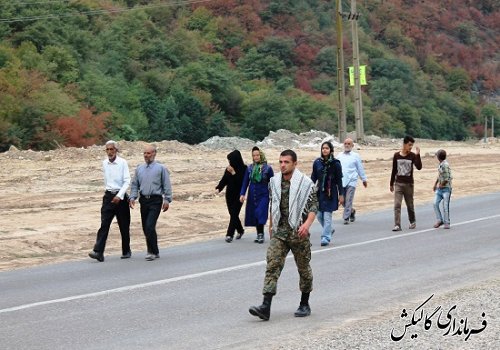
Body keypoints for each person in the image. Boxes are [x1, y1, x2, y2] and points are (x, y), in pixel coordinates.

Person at [249, 149, 318, 321]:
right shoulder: (274, 182)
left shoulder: (305, 183)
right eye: (280, 162)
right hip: (280, 232)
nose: (282, 165)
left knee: (303, 269)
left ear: (295, 163)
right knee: (272, 265)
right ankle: (265, 306)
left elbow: (313, 207)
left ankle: (304, 303)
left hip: (298, 233)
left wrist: (307, 225)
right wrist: (271, 226)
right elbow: (273, 204)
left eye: (286, 162)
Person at [89, 140, 131, 262]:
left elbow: (127, 180)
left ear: (116, 150)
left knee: (124, 225)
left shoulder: (123, 163)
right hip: (108, 197)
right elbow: (107, 181)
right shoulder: (104, 163)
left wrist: (120, 195)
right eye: (107, 149)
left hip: (121, 197)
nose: (109, 152)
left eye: (111, 149)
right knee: (104, 224)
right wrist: (109, 194)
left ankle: (126, 250)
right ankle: (98, 251)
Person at [129, 144, 172, 261]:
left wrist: (167, 199)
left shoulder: (161, 168)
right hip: (144, 200)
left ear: (154, 154)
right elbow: (135, 185)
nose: (146, 156)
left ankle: (151, 251)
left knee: (149, 225)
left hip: (155, 200)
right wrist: (132, 197)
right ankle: (155, 250)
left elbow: (167, 185)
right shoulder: (139, 168)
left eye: (148, 153)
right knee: (146, 227)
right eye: (144, 153)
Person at [310, 141, 344, 246]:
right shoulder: (317, 162)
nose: (324, 150)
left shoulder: (336, 164)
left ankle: (325, 237)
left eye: (327, 148)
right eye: (323, 148)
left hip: (331, 193)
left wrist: (341, 194)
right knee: (319, 215)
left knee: (327, 215)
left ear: (331, 150)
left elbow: (339, 180)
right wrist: (309, 189)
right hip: (320, 192)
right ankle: (329, 229)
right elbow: (313, 178)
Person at [240, 146, 274, 244]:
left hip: (264, 194)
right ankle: (259, 234)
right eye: (254, 155)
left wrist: (274, 194)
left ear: (261, 155)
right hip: (252, 194)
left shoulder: (268, 168)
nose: (256, 157)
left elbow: (272, 182)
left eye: (257, 155)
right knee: (254, 214)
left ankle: (261, 234)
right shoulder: (250, 168)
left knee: (260, 212)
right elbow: (245, 182)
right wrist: (242, 194)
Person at [390, 135, 422, 231]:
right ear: (404, 144)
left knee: (410, 205)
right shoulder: (396, 155)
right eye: (409, 145)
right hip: (398, 183)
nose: (410, 147)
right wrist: (391, 183)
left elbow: (419, 167)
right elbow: (394, 170)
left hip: (409, 184)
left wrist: (418, 155)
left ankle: (412, 221)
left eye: (412, 145)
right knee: (397, 205)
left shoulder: (412, 156)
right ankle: (397, 225)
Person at [215, 150, 247, 243]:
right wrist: (218, 188)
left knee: (234, 214)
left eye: (230, 160)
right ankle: (240, 230)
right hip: (229, 195)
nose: (229, 163)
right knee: (233, 214)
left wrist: (233, 173)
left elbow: (241, 183)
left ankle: (229, 234)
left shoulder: (244, 169)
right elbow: (224, 180)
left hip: (239, 195)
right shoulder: (228, 168)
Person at [337, 138, 367, 225]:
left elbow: (360, 168)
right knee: (342, 201)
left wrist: (364, 179)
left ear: (352, 145)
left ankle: (346, 217)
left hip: (352, 180)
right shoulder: (339, 155)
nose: (347, 145)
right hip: (342, 180)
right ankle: (352, 211)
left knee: (349, 199)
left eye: (349, 144)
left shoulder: (355, 156)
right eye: (345, 143)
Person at [433, 149, 452, 229]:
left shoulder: (445, 165)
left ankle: (446, 222)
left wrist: (442, 184)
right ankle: (440, 220)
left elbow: (449, 177)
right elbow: (440, 175)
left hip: (446, 189)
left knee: (445, 206)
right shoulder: (441, 164)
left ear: (439, 157)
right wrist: (435, 184)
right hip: (440, 189)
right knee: (435, 203)